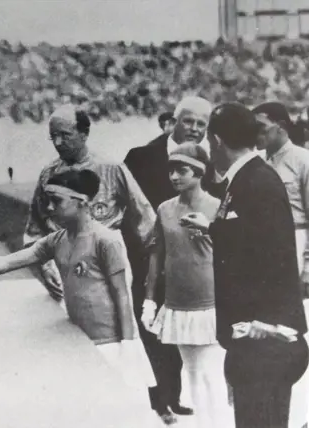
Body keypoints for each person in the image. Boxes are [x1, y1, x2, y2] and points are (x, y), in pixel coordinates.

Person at [0, 169, 156, 396]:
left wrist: (128, 345)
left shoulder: (106, 241)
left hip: (112, 343)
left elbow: (122, 295)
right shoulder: (56, 241)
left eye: (56, 201)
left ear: (82, 202)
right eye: (48, 201)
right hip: (79, 340)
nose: (49, 208)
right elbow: (5, 263)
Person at [182, 102, 308, 428]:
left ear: (217, 141)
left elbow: (266, 259)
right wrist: (213, 228)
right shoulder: (250, 178)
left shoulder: (256, 181)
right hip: (259, 339)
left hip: (264, 341)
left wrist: (249, 333)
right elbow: (253, 237)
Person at [124, 96, 215, 423]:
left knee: (180, 330)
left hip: (188, 262)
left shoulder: (207, 159)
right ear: (174, 121)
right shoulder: (140, 156)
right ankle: (158, 401)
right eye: (188, 121)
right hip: (148, 260)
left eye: (201, 124)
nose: (194, 128)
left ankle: (174, 398)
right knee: (151, 332)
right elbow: (126, 209)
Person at [23, 104, 155, 304]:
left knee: (114, 324)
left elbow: (144, 216)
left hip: (106, 262)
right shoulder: (48, 175)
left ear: (84, 134)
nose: (58, 142)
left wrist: (155, 262)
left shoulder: (111, 169)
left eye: (65, 135)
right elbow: (35, 228)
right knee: (68, 330)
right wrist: (45, 265)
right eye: (53, 136)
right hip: (63, 265)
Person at [143, 142, 230, 428]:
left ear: (200, 172)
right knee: (191, 373)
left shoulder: (218, 207)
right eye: (171, 171)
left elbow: (234, 254)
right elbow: (157, 254)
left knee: (212, 373)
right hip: (177, 303)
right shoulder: (165, 209)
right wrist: (149, 300)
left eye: (182, 170)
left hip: (210, 302)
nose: (174, 177)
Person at [252, 101, 309, 428]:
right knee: (276, 337)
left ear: (281, 126)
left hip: (297, 248)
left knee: (299, 337)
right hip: (268, 257)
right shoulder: (258, 164)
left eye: (262, 126)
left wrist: (307, 267)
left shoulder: (302, 160)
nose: (257, 133)